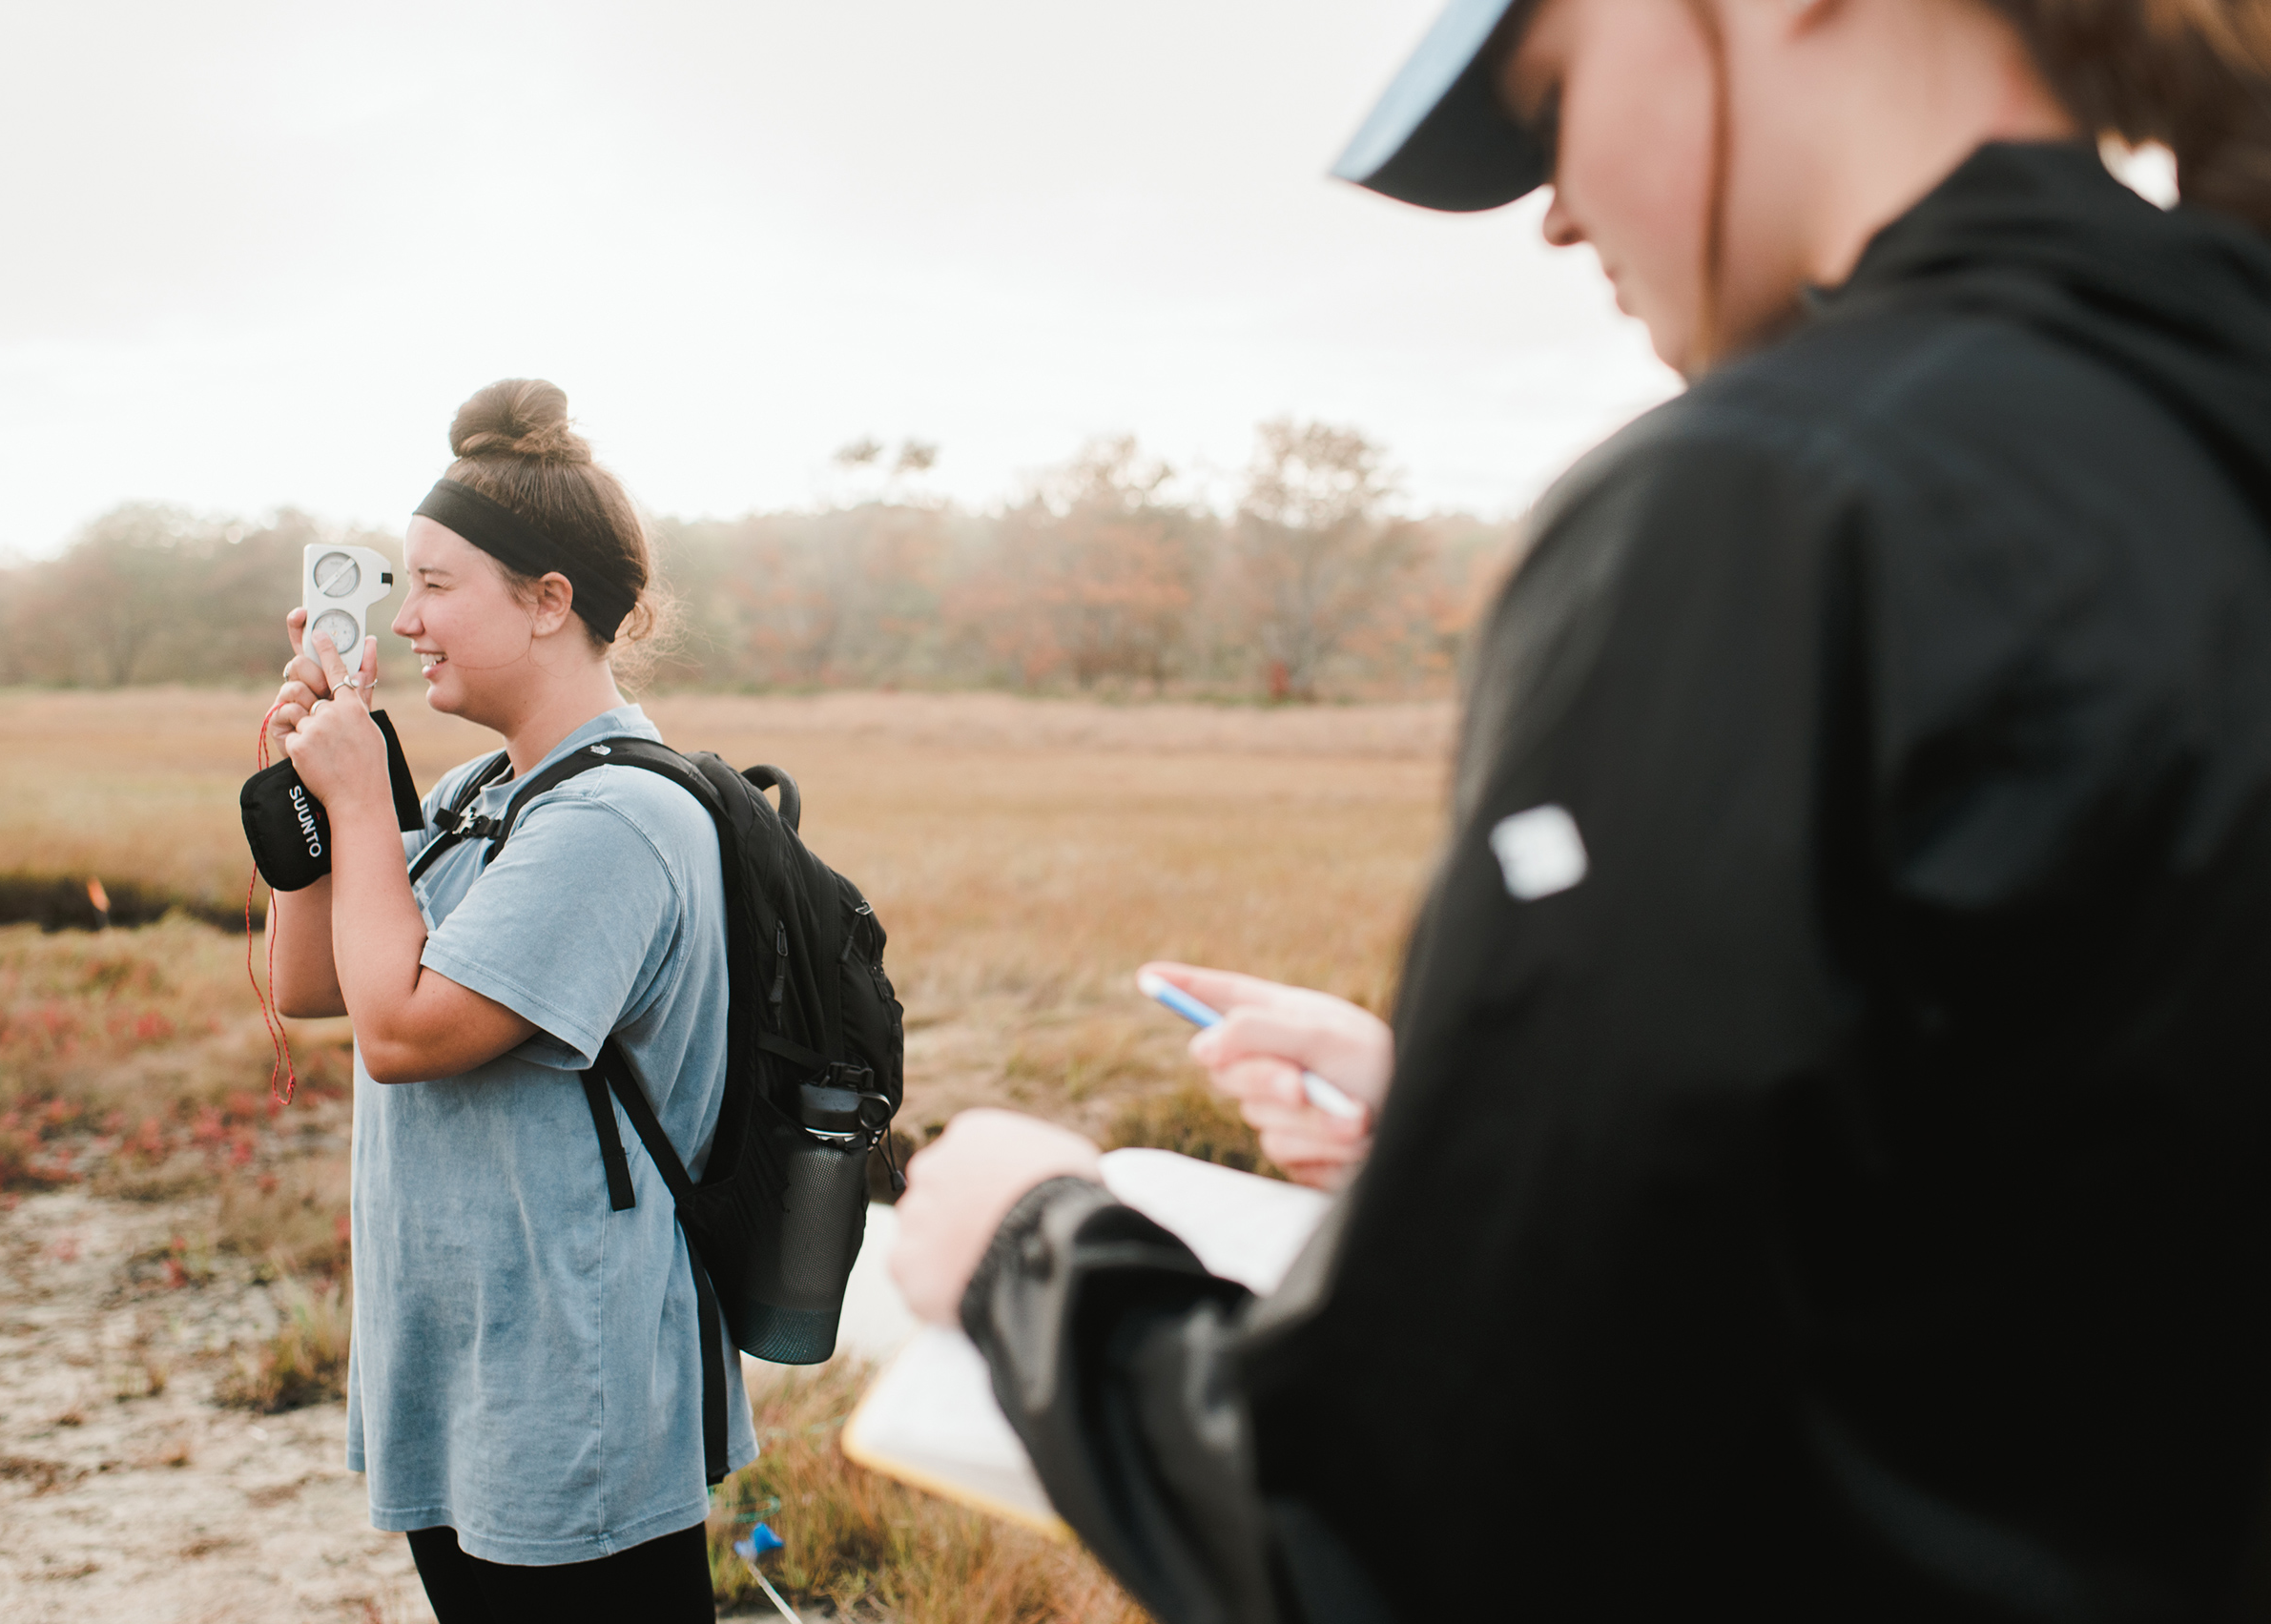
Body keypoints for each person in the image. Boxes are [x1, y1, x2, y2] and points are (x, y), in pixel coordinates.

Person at [889, 0, 2271, 1617]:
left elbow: (1419, 1535)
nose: (1554, 210)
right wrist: (1502, 1121)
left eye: (1551, 96)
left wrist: (1027, 1252)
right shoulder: (2200, 436)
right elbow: (2076, 1230)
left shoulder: (1771, 506)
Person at [268, 380, 749, 1622]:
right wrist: (317, 797)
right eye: (400, 584)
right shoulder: (495, 786)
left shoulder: (617, 821)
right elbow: (316, 984)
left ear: (550, 603)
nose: (406, 619)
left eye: (436, 585)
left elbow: (404, 1032)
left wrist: (371, 799)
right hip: (465, 1369)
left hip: (568, 1392)